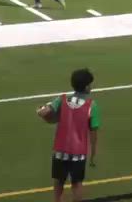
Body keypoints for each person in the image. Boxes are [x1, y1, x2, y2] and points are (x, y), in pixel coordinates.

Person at [37, 68, 100, 202]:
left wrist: (41, 111)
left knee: (59, 181)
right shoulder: (92, 106)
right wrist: (93, 154)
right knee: (76, 183)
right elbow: (93, 133)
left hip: (60, 150)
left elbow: (44, 113)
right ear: (87, 86)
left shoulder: (63, 99)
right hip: (78, 152)